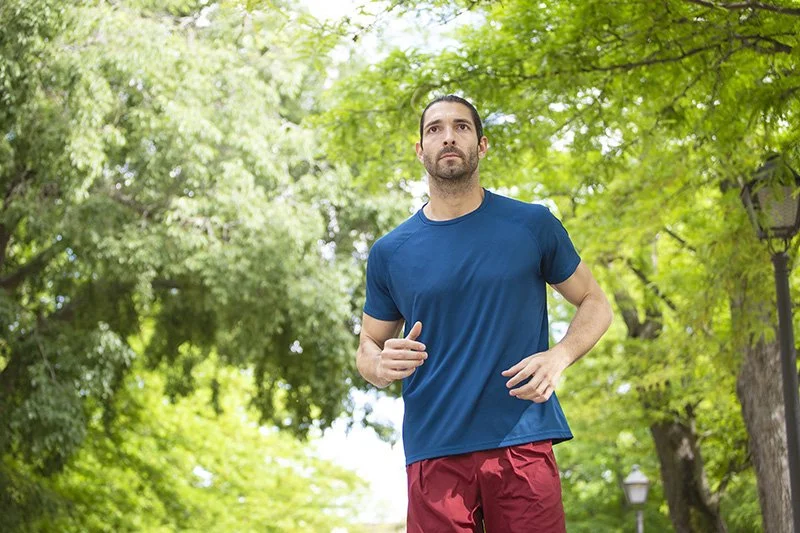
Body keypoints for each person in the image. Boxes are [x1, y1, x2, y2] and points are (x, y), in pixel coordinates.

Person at [356, 94, 613, 532]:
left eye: (461, 126)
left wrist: (560, 355)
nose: (448, 136)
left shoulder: (532, 225)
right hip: (434, 451)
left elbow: (596, 302)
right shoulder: (390, 252)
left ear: (482, 144)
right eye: (435, 129)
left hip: (522, 441)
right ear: (420, 151)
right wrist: (379, 365)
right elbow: (367, 346)